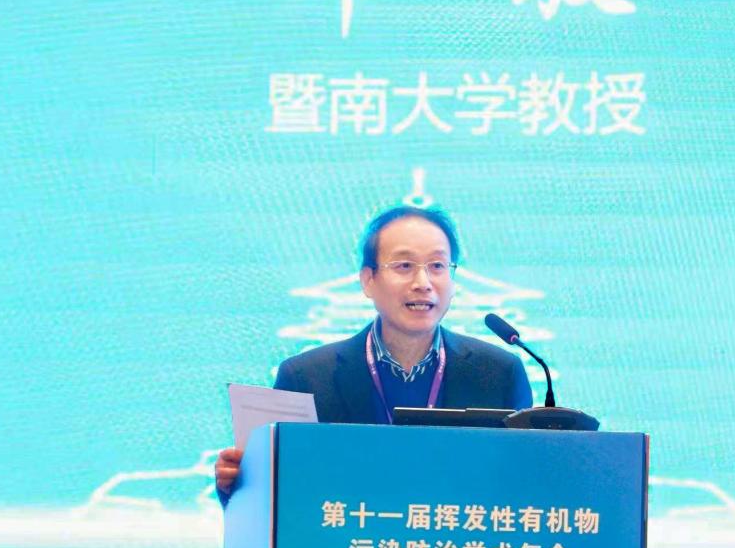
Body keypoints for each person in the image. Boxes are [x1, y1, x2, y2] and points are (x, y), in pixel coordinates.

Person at [215, 205, 533, 499]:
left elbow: (525, 489)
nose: (423, 283)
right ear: (368, 280)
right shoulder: (305, 378)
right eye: (404, 266)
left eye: (437, 266)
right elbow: (275, 499)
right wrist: (237, 483)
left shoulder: (499, 374)